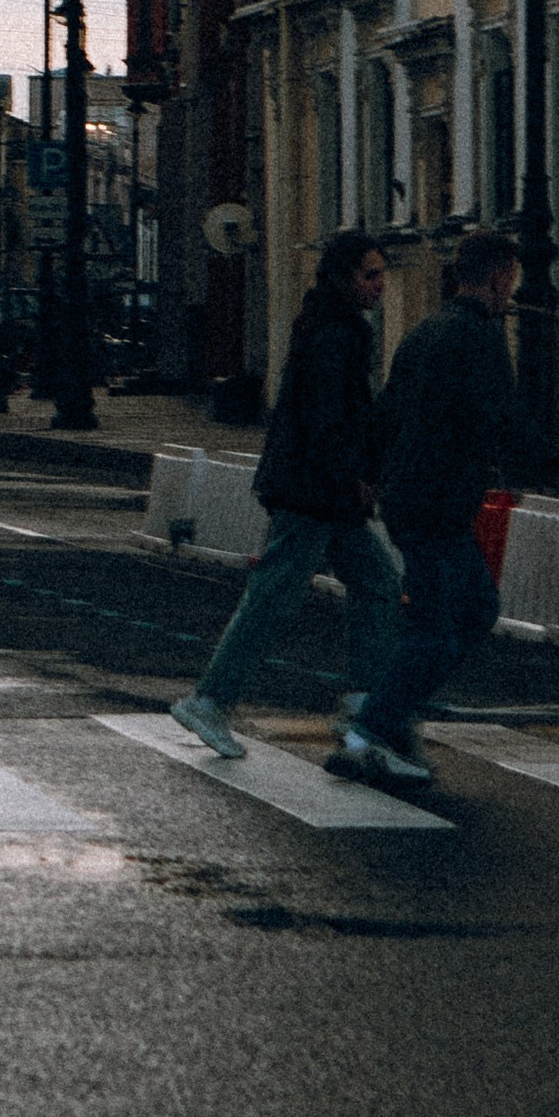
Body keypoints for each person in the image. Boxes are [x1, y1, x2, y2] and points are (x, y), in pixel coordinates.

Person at [327, 226, 559, 794]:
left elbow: (387, 410)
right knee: (437, 630)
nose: (513, 291)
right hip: (436, 502)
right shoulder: (480, 339)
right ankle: (369, 732)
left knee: (476, 608)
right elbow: (508, 420)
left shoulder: (424, 331)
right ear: (500, 277)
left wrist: (368, 473)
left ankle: (387, 710)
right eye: (512, 280)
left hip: (416, 498)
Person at [170, 229, 399, 763]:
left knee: (378, 584)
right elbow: (329, 419)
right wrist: (356, 475)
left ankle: (361, 704)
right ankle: (210, 699)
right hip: (312, 490)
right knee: (274, 597)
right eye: (370, 275)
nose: (380, 285)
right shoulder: (336, 334)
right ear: (344, 278)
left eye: (382, 274)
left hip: (321, 489)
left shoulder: (331, 324)